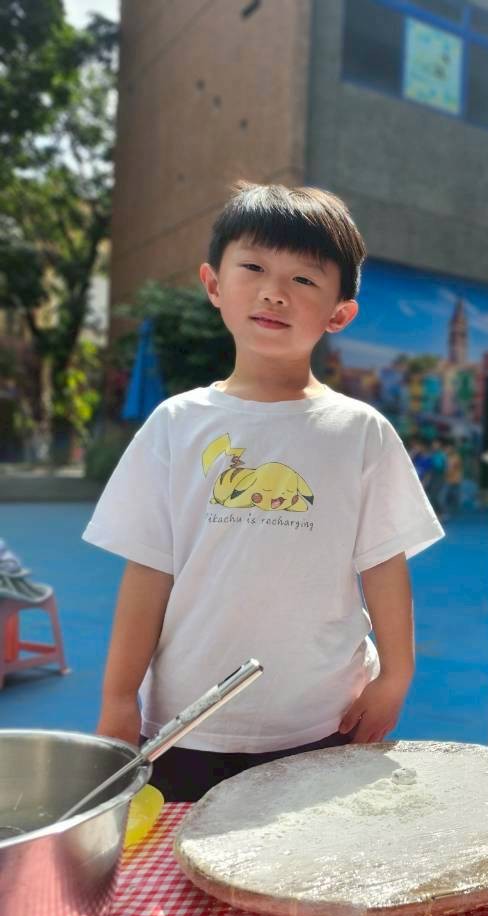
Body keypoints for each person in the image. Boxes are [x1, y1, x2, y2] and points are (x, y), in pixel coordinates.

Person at [85, 182, 444, 801]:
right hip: (186, 720)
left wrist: (396, 676)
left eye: (304, 279)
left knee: (311, 858)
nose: (275, 292)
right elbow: (148, 571)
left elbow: (385, 566)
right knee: (181, 859)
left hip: (324, 716)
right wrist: (118, 698)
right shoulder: (176, 425)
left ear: (339, 313)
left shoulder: (360, 432)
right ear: (214, 283)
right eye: (253, 267)